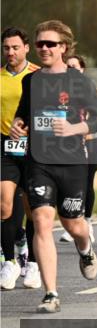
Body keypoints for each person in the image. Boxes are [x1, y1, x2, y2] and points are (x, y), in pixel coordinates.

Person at [10, 20, 97, 313]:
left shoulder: (79, 81)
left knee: (73, 224)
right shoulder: (32, 80)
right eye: (39, 43)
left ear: (63, 47)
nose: (43, 48)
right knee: (41, 221)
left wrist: (74, 127)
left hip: (72, 162)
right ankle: (51, 293)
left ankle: (85, 248)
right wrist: (19, 124)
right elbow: (24, 113)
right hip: (39, 161)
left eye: (49, 44)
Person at [1, 27, 39, 291]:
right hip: (5, 145)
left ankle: (35, 263)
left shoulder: (38, 75)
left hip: (35, 147)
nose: (10, 52)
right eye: (6, 48)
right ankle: (10, 262)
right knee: (4, 206)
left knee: (32, 209)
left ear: (26, 48)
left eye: (15, 47)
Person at [59, 55, 97, 243]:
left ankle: (87, 222)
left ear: (82, 69)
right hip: (68, 144)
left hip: (90, 141)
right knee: (68, 183)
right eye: (67, 66)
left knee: (86, 182)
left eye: (74, 66)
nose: (71, 69)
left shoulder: (89, 87)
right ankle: (73, 222)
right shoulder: (59, 89)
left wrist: (85, 129)